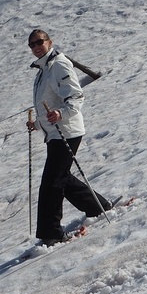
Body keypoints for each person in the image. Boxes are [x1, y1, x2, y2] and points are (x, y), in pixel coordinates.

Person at [25, 29, 113, 245]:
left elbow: (75, 96)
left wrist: (61, 114)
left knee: (51, 184)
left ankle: (51, 233)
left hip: (67, 131)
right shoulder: (43, 71)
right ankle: (98, 206)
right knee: (62, 178)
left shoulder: (59, 65)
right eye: (32, 45)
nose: (36, 47)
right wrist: (37, 124)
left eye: (39, 42)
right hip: (54, 133)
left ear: (49, 42)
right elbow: (50, 104)